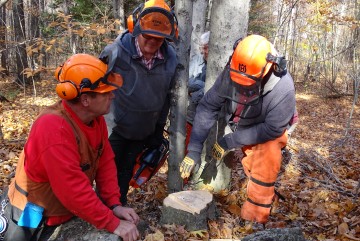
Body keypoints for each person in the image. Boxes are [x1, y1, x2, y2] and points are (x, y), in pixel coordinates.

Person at [0, 54, 140, 241]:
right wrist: (113, 224)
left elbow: (105, 162)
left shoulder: (95, 121)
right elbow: (71, 189)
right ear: (85, 99)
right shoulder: (53, 128)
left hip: (64, 211)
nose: (113, 96)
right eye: (106, 92)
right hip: (30, 214)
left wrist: (114, 204)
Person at [180, 35, 298, 224]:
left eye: (248, 84)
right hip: (242, 118)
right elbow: (208, 106)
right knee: (249, 162)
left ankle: (254, 219)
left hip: (269, 128)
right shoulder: (233, 69)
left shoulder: (282, 88)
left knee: (264, 161)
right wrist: (193, 150)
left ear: (266, 70)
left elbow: (272, 129)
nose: (242, 87)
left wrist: (229, 141)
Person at [99, 0, 178, 205]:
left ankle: (120, 204)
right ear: (136, 28)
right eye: (148, 36)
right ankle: (101, 210)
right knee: (106, 172)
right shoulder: (114, 53)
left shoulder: (171, 60)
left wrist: (158, 129)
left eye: (158, 39)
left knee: (126, 171)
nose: (152, 42)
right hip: (113, 128)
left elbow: (166, 98)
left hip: (144, 129)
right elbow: (97, 89)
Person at [186, 31, 210, 147]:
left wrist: (196, 94)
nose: (202, 51)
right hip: (191, 117)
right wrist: (204, 87)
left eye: (205, 48)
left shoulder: (224, 63)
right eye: (201, 48)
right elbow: (186, 82)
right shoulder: (197, 60)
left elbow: (216, 90)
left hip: (209, 123)